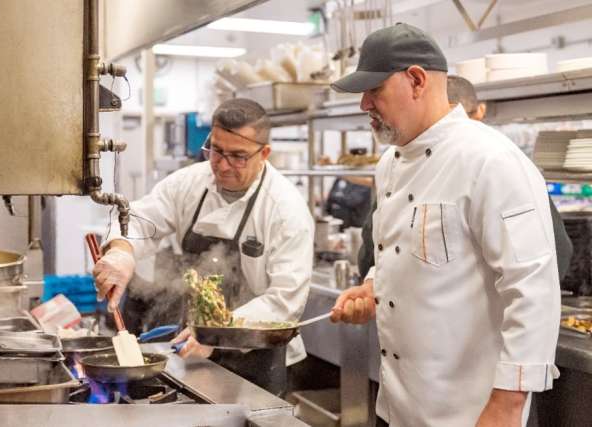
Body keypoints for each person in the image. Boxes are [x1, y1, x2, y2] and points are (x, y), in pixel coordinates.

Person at [330, 23, 560, 427]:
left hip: (472, 412)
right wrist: (372, 287)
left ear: (416, 80)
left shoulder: (491, 161)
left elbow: (534, 289)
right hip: (399, 405)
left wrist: (506, 406)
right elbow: (397, 251)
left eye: (374, 90)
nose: (364, 104)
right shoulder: (389, 164)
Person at [94, 98, 314, 396]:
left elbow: (285, 301)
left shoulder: (285, 210)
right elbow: (140, 220)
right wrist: (121, 251)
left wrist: (219, 333)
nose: (222, 166)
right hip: (193, 345)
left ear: (264, 153)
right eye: (217, 151)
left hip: (257, 357)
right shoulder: (190, 183)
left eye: (238, 156)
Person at [358, 75, 573, 282]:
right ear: (480, 112)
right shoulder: (396, 165)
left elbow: (537, 274)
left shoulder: (497, 163)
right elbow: (557, 255)